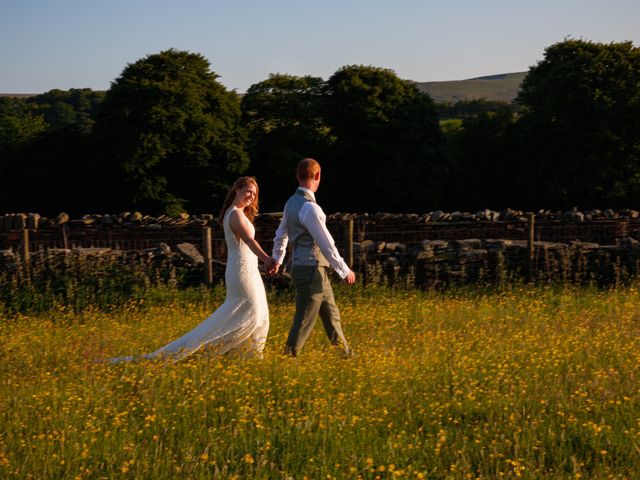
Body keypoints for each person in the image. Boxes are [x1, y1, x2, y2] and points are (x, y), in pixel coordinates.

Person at [110, 177, 273, 362]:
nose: (251, 195)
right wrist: (267, 258)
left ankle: (246, 356)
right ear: (237, 189)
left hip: (249, 269)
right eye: (248, 191)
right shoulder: (235, 214)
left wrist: (261, 262)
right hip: (242, 272)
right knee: (251, 310)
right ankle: (211, 351)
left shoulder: (240, 214)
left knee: (258, 312)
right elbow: (249, 241)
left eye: (254, 193)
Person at [271, 158, 356, 357]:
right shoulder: (310, 208)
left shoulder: (290, 203)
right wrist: (344, 270)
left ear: (297, 176)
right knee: (304, 319)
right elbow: (327, 244)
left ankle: (346, 355)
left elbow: (281, 234)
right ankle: (288, 357)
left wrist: (277, 258)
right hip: (310, 270)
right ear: (318, 176)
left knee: (331, 314)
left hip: (313, 270)